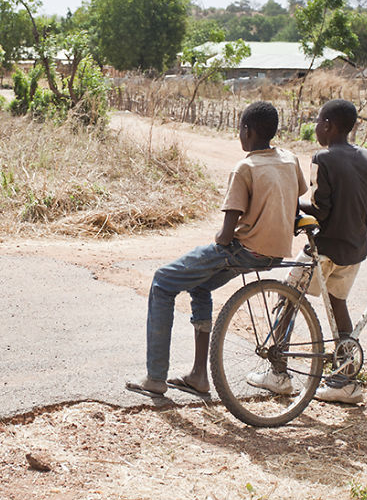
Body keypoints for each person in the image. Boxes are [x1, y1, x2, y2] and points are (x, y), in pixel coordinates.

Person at [126, 101, 307, 398]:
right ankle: (198, 376)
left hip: (244, 250)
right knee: (199, 286)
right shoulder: (290, 159)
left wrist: (220, 237)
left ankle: (155, 378)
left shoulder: (245, 168)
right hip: (274, 253)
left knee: (162, 281)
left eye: (240, 129)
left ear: (247, 132)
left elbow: (225, 235)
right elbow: (296, 196)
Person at [248, 99, 367, 404]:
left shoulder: (323, 158)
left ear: (328, 125)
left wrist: (291, 202)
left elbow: (320, 208)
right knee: (337, 302)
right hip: (355, 249)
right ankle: (345, 380)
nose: (317, 127)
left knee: (287, 299)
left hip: (325, 248)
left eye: (318, 122)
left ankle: (278, 374)